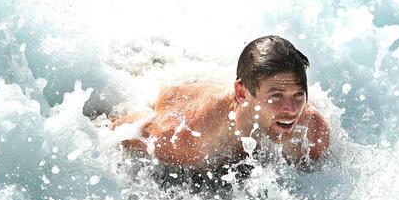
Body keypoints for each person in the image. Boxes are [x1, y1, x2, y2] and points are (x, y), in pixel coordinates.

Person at [113, 35, 330, 172]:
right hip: (178, 91)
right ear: (241, 93)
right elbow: (118, 132)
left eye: (298, 95)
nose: (292, 111)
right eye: (276, 97)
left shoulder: (311, 133)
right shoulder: (185, 138)